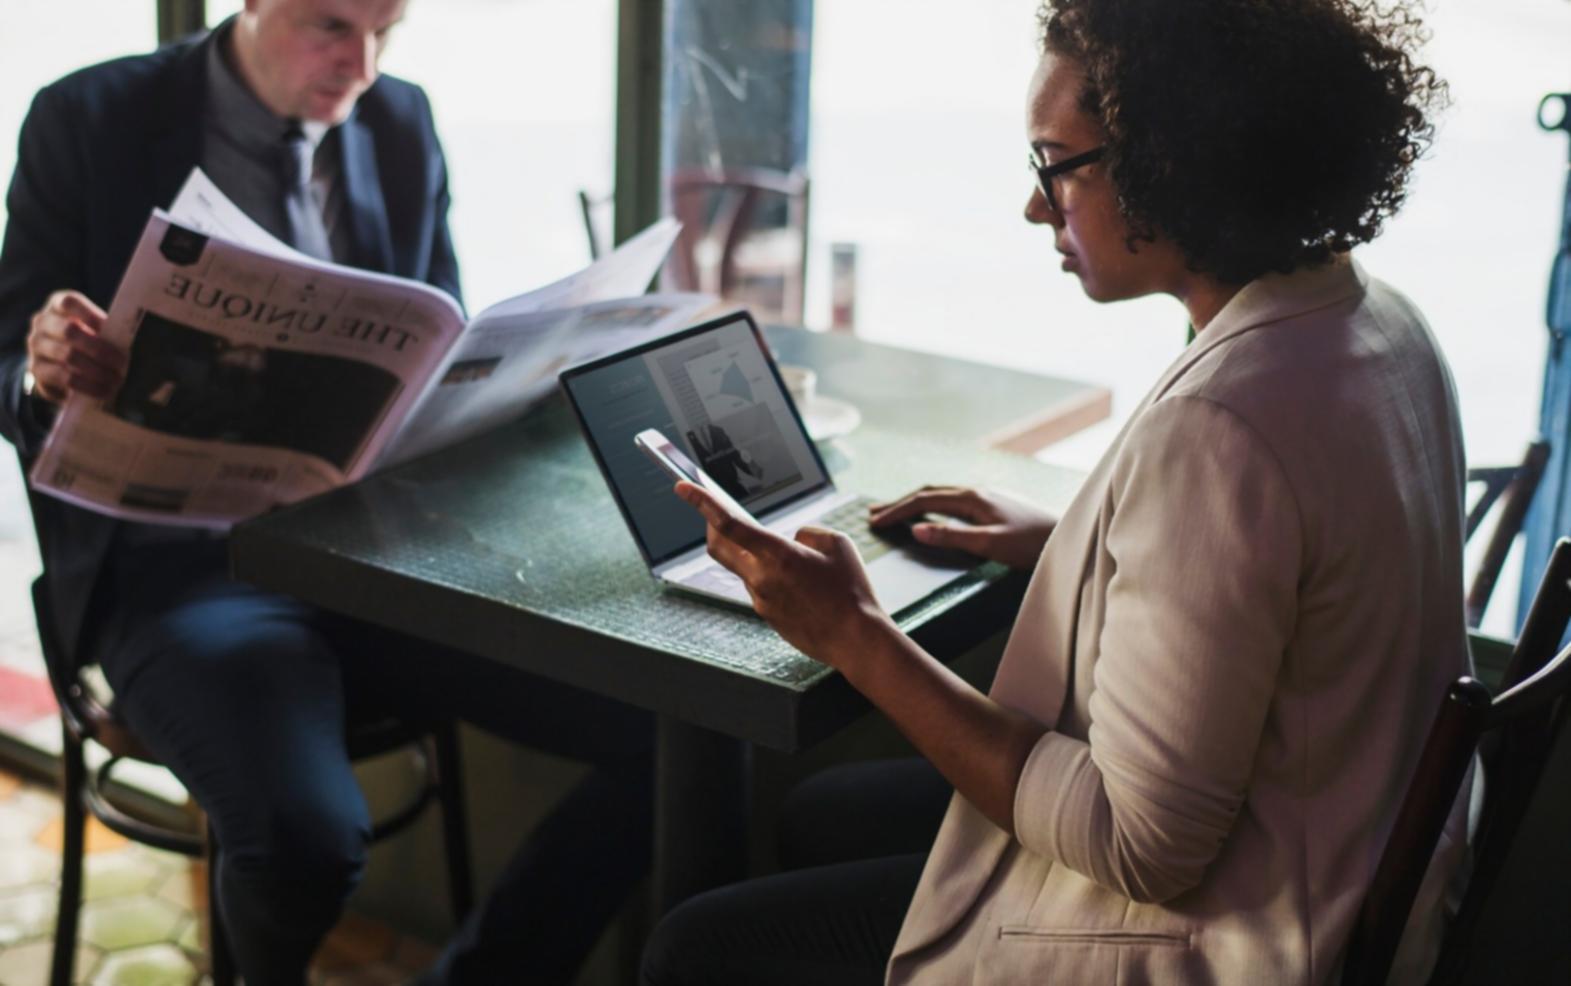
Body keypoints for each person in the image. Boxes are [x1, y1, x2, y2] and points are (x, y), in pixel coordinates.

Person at [640, 0, 1468, 983]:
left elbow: (1140, 844)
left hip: (1232, 937)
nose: (1037, 207)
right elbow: (1282, 580)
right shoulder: (1375, 325)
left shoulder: (1220, 425)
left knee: (695, 949)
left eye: (1052, 163)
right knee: (818, 814)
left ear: (1172, 160)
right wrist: (1080, 541)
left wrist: (854, 633)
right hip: (1340, 855)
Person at [0, 2, 650, 983]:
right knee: (303, 840)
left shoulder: (399, 119)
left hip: (376, 551)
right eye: (332, 26)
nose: (362, 63)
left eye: (388, 30)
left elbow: (437, 335)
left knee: (671, 744)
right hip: (180, 569)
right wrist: (42, 366)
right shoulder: (87, 116)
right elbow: (7, 350)